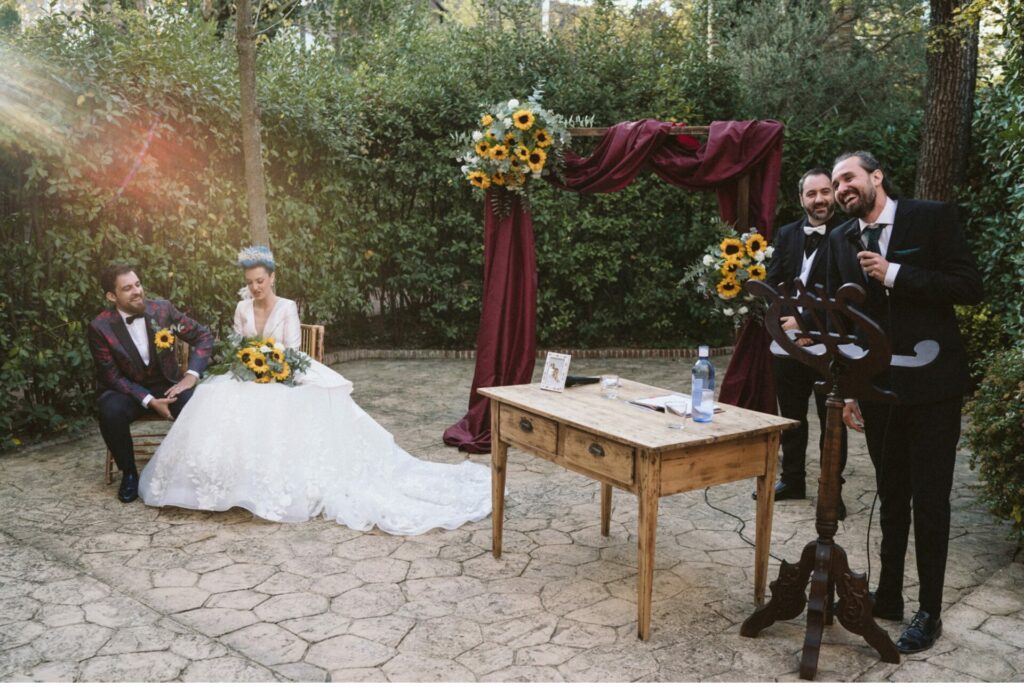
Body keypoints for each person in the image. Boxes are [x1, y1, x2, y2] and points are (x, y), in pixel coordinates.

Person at [139, 246, 492, 534]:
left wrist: (272, 367)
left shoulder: (288, 307)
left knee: (282, 406)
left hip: (284, 373)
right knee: (215, 398)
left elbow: (293, 351)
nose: (256, 288)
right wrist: (246, 362)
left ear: (272, 277)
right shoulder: (241, 307)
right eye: (250, 283)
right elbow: (235, 344)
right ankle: (229, 483)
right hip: (247, 373)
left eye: (260, 281)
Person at [826, 151, 983, 654]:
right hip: (878, 392)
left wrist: (895, 273)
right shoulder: (839, 239)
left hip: (934, 387)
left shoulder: (930, 217)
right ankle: (888, 595)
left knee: (930, 500)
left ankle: (930, 612)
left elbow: (968, 286)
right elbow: (846, 319)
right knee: (891, 495)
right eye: (834, 184)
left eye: (848, 177)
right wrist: (850, 387)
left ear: (876, 177)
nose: (841, 188)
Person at [752, 168, 849, 519]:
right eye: (812, 194)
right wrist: (784, 320)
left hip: (830, 345)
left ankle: (832, 493)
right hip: (787, 345)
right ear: (801, 199)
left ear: (834, 194)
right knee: (791, 416)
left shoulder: (848, 233)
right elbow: (775, 281)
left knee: (831, 421)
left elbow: (850, 294)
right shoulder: (788, 233)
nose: (820, 199)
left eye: (826, 191)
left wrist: (809, 323)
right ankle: (793, 480)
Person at [88, 265, 214, 503]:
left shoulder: (162, 310)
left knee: (197, 403)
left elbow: (203, 336)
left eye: (137, 284)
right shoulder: (100, 327)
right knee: (109, 411)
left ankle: (196, 470)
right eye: (127, 288)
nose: (137, 291)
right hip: (126, 390)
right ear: (111, 296)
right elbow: (111, 376)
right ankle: (129, 474)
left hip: (166, 383)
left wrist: (191, 375)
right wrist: (149, 401)